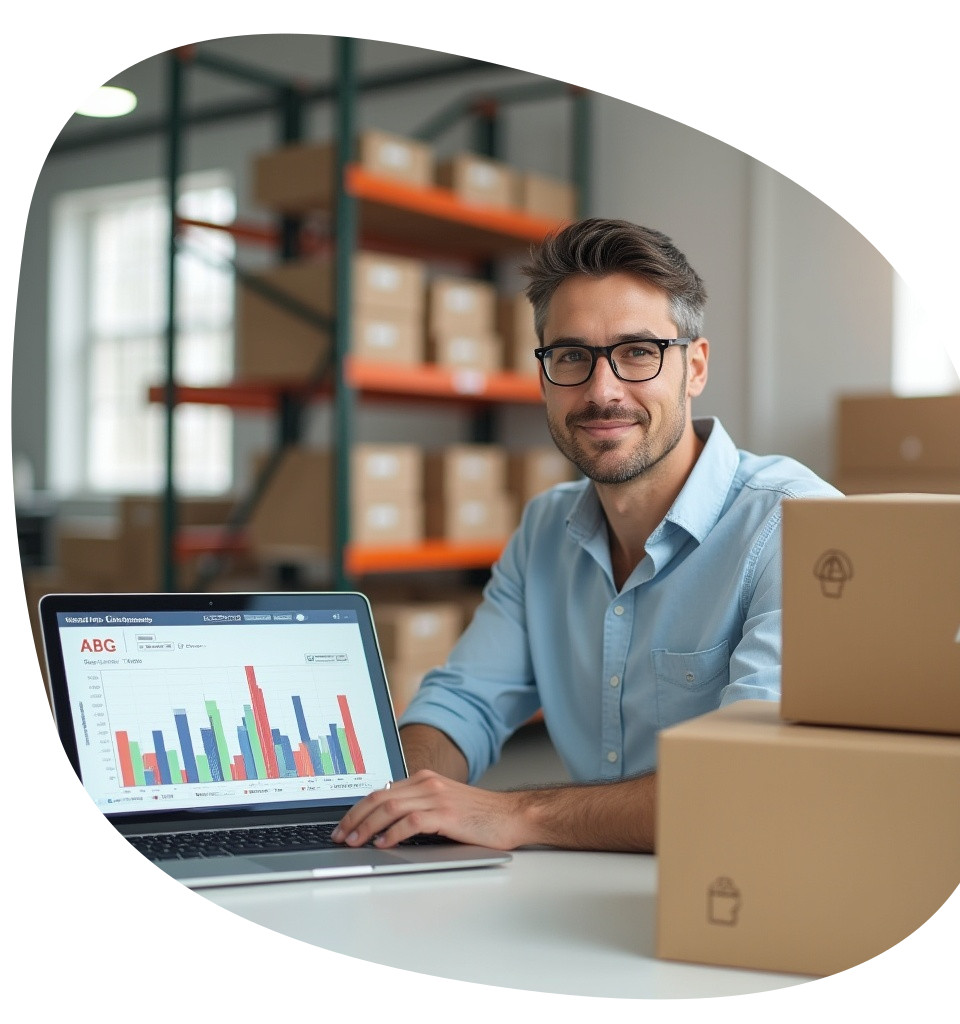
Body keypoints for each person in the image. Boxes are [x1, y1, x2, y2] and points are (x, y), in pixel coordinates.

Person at [332, 217, 840, 854]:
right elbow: (464, 704)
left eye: (638, 352)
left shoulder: (797, 525)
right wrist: (391, 796)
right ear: (544, 374)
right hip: (581, 879)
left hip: (735, 884)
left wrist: (519, 814)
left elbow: (752, 779)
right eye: (571, 356)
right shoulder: (545, 530)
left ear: (695, 367)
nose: (602, 392)